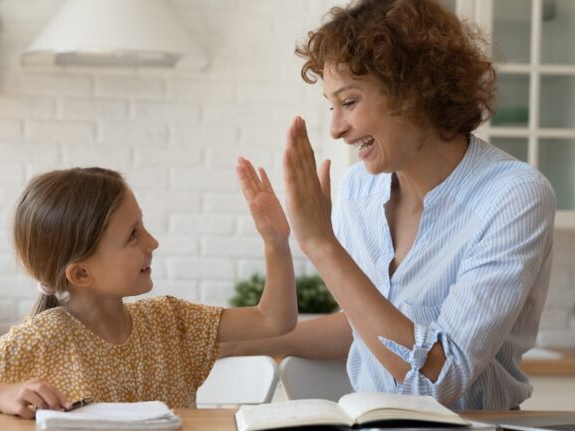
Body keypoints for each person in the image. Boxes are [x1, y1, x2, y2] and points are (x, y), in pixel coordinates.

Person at [220, 0, 556, 411]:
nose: (337, 128)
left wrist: (320, 244)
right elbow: (368, 327)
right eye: (332, 105)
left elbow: (438, 379)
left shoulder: (514, 196)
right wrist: (242, 345)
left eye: (349, 101)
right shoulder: (358, 190)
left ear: (413, 91)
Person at [0, 162, 296, 417]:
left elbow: (274, 320)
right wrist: (1, 395)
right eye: (133, 235)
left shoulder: (170, 319)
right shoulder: (46, 336)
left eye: (142, 226)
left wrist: (276, 243)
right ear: (80, 274)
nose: (152, 242)